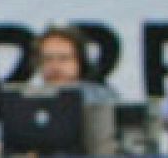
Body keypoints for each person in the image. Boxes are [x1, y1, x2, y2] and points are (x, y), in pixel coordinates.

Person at [29, 26, 120, 155]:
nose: (55, 66)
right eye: (47, 59)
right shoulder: (26, 100)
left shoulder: (102, 96)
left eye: (63, 58)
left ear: (79, 61)